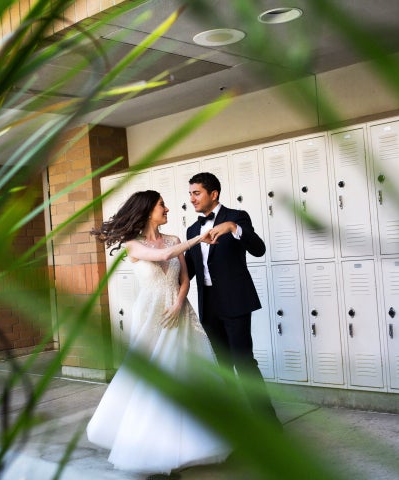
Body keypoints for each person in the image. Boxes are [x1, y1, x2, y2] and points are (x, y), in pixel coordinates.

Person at [86, 190, 231, 475]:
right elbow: (163, 255)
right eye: (161, 205)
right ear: (147, 210)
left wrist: (179, 302)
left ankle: (192, 444)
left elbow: (186, 279)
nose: (166, 208)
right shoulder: (133, 245)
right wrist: (199, 239)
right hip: (152, 316)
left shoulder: (175, 239)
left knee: (187, 375)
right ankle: (149, 447)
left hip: (179, 312)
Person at [184, 172, 281, 428]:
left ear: (213, 194)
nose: (192, 198)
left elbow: (258, 249)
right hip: (208, 304)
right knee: (220, 365)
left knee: (243, 362)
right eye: (190, 193)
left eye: (197, 193)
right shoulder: (193, 229)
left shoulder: (237, 217)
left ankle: (267, 422)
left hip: (235, 302)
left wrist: (233, 229)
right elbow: (191, 269)